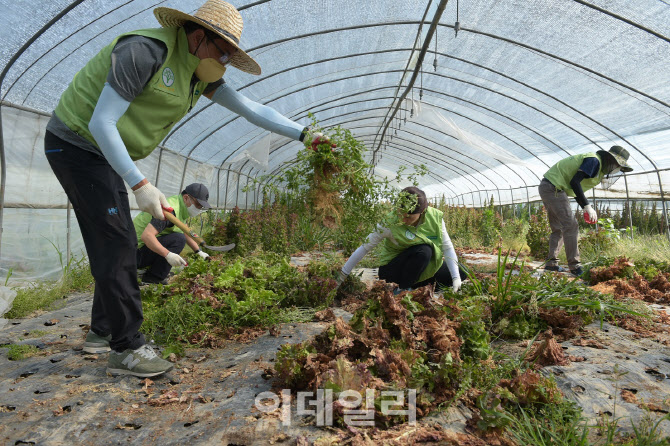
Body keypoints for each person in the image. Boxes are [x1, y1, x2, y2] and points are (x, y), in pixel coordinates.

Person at [44, 0, 317, 377]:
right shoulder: (143, 51)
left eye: (229, 55)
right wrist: (140, 183)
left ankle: (100, 333)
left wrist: (305, 135)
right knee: (117, 242)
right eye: (222, 51)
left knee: (118, 241)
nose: (223, 61)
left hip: (105, 153)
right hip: (76, 143)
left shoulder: (198, 73)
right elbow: (102, 122)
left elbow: (250, 108)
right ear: (198, 34)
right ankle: (126, 347)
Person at [336, 187, 467, 294]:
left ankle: (419, 289)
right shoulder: (389, 221)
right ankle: (401, 290)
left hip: (420, 267)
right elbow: (364, 248)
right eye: (401, 214)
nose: (403, 220)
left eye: (409, 217)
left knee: (461, 272)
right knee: (424, 251)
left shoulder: (435, 218)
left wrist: (455, 278)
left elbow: (447, 248)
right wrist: (341, 276)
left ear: (422, 211)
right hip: (393, 271)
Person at [539, 146, 633, 276]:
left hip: (548, 187)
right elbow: (575, 182)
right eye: (617, 165)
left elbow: (576, 187)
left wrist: (584, 206)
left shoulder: (596, 164)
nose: (616, 169)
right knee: (571, 226)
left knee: (559, 228)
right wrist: (587, 206)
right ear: (610, 159)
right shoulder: (594, 161)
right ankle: (575, 266)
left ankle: (551, 265)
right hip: (554, 189)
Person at [134, 183, 212, 285]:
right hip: (133, 253)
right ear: (186, 198)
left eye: (201, 207)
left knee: (179, 237)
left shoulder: (180, 206)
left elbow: (184, 231)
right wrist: (168, 255)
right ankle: (152, 278)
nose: (199, 209)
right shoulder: (170, 211)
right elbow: (147, 236)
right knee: (178, 239)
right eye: (198, 205)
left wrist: (198, 251)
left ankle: (153, 273)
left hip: (139, 250)